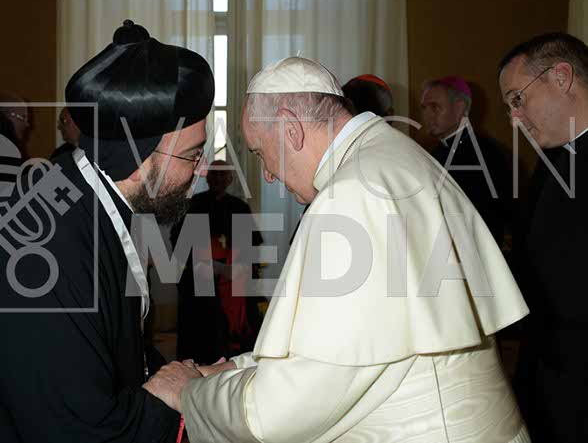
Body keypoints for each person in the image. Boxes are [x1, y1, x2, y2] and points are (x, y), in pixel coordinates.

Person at [146, 56, 531, 442]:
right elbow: (343, 349)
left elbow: (286, 409)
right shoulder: (393, 155)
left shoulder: (350, 195)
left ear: (291, 129)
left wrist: (190, 392)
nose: (268, 174)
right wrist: (233, 368)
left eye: (260, 153)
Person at [0, 20, 214, 443]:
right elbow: (82, 429)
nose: (201, 171)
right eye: (193, 155)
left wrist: (193, 379)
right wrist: (170, 393)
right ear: (138, 157)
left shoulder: (86, 199)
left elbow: (107, 348)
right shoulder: (39, 254)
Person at [498, 32, 588, 442]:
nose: (514, 119)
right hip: (550, 368)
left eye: (518, 99)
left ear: (562, 77)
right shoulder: (553, 156)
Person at [172, 160, 263, 364]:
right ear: (207, 177)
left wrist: (232, 268)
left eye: (223, 175)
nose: (219, 179)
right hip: (201, 280)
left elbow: (250, 245)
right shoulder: (193, 205)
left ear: (230, 179)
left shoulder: (239, 207)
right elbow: (178, 242)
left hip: (232, 280)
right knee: (199, 334)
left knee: (233, 335)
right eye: (215, 174)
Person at [421, 76, 510, 244]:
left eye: (434, 107)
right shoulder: (433, 152)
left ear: (459, 108)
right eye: (424, 108)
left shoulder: (487, 154)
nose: (427, 115)